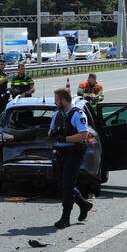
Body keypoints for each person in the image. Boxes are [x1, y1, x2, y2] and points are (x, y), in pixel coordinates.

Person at [48, 88, 94, 229]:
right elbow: (51, 130)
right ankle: (83, 204)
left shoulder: (77, 114)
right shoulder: (57, 114)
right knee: (62, 183)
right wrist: (52, 134)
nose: (55, 102)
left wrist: (65, 138)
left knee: (68, 185)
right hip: (61, 152)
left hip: (74, 152)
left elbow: (84, 134)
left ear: (63, 100)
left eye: (56, 100)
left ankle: (65, 217)